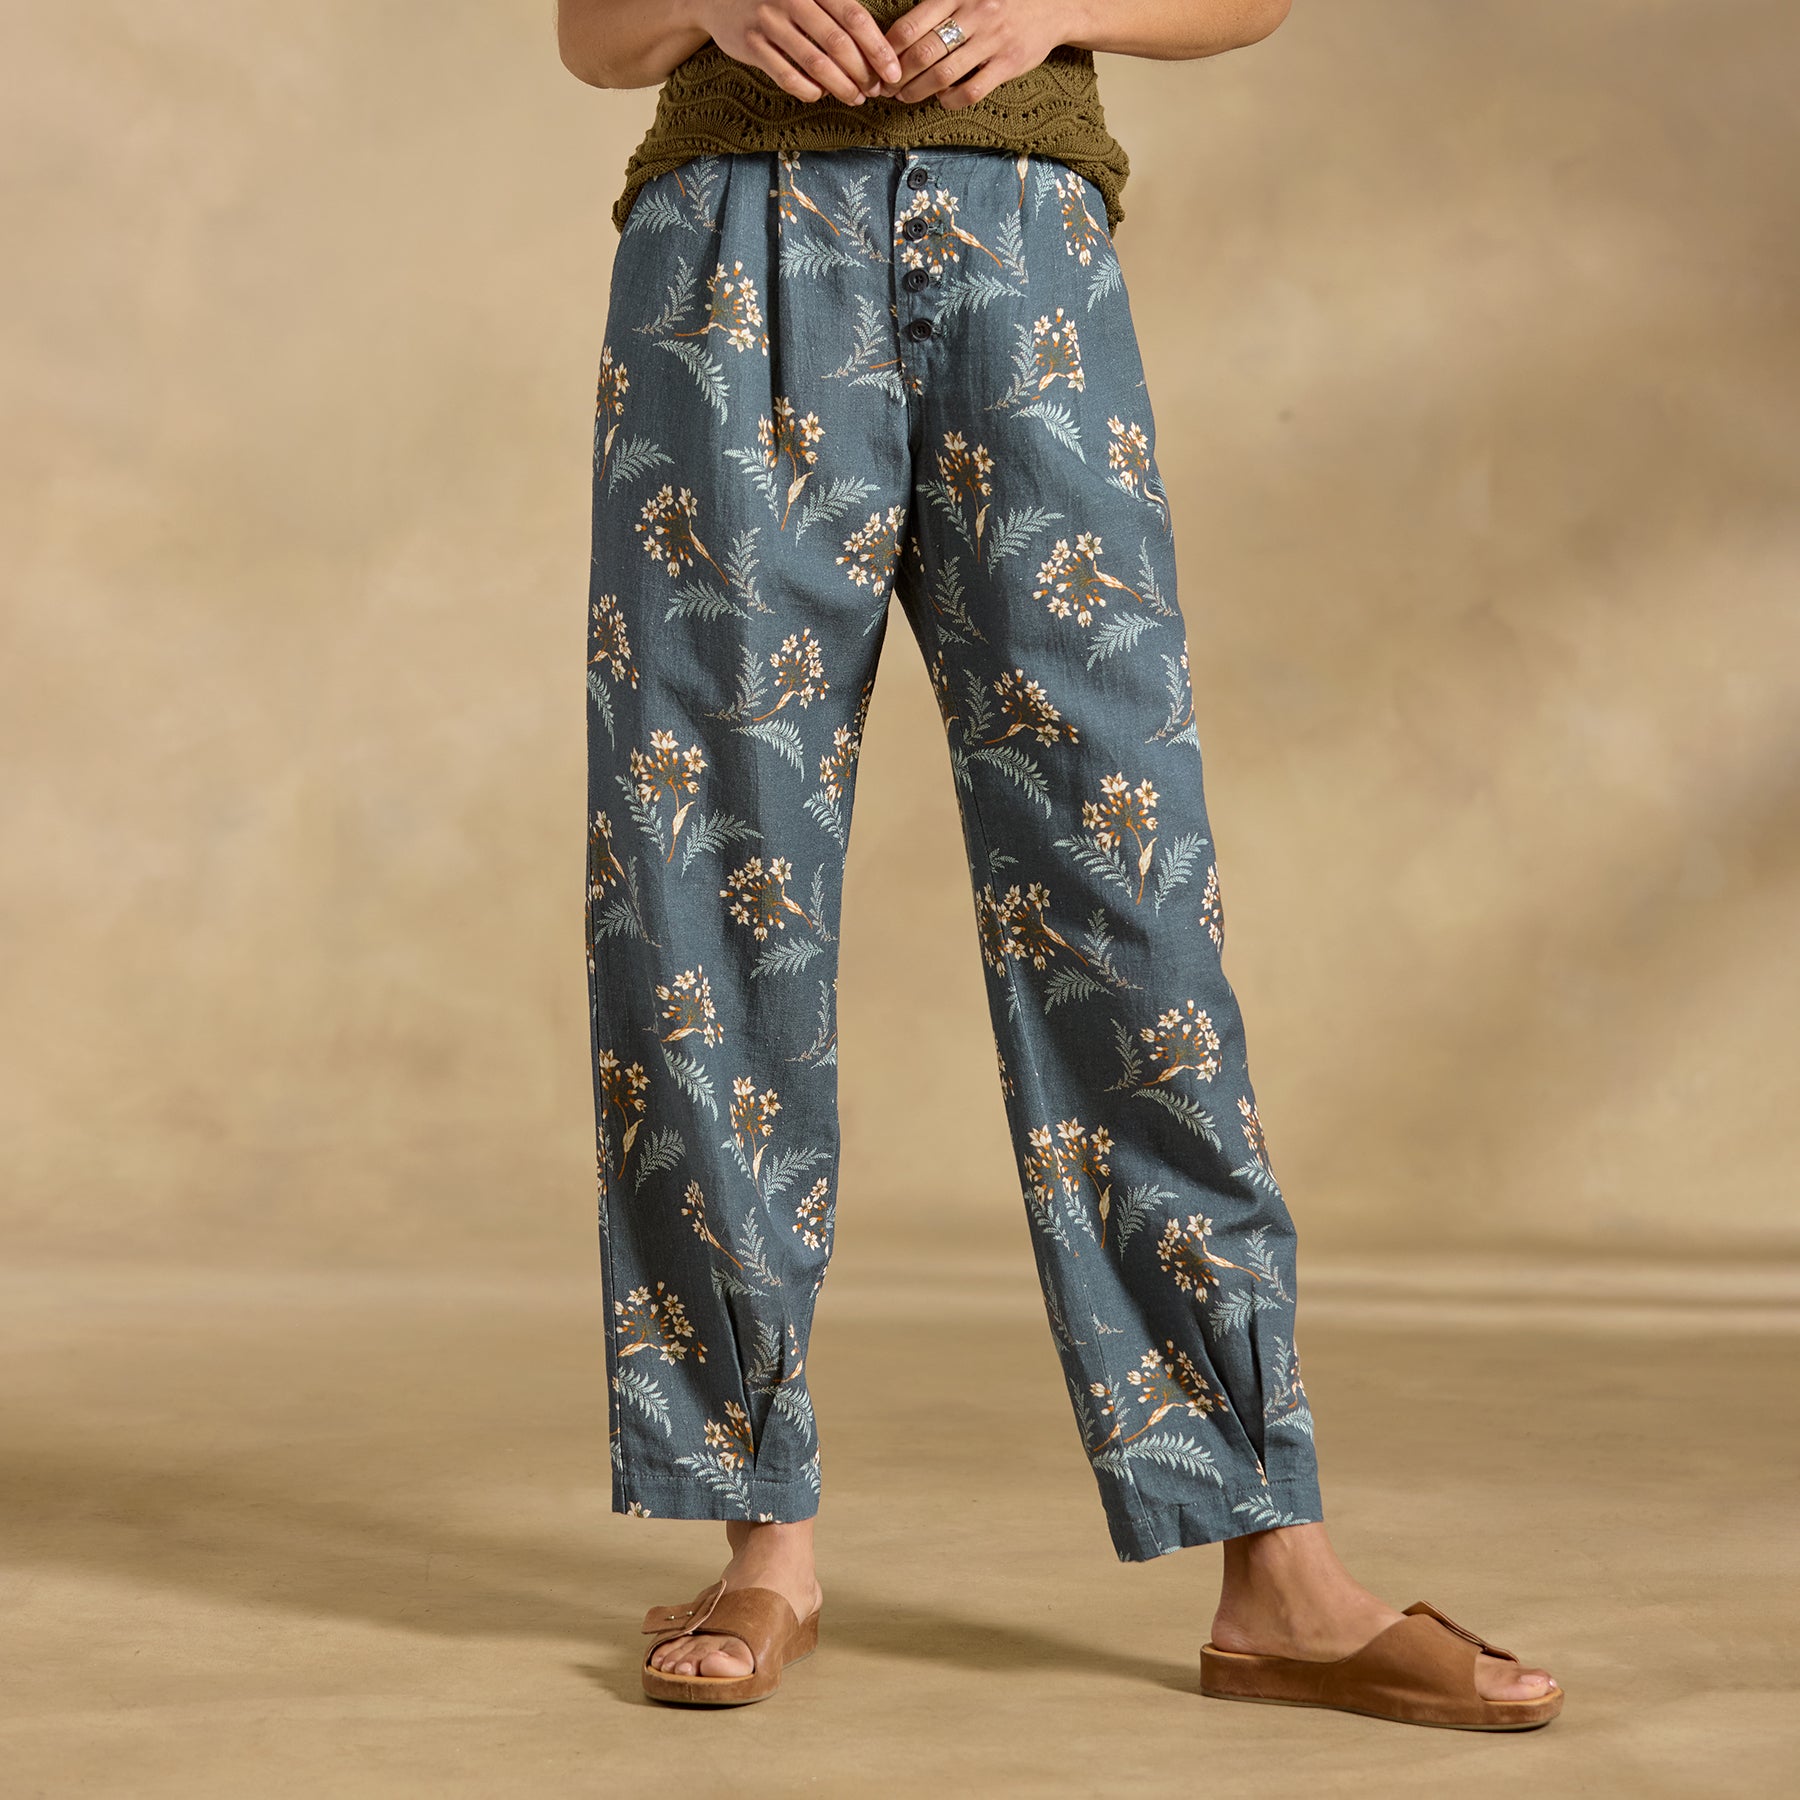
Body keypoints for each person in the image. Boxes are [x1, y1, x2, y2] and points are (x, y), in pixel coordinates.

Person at [558, 0, 1563, 1728]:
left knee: (1125, 885)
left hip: (1021, 255)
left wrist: (1062, 7)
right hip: (729, 251)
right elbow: (593, 31)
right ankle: (763, 1537)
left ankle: (1275, 1563)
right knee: (704, 880)